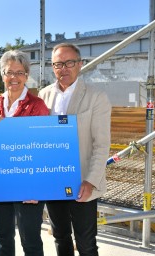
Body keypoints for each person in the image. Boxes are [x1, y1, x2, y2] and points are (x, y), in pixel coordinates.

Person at [38, 43, 111, 256]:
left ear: (79, 64)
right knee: (60, 237)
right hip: (54, 181)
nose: (64, 68)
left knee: (86, 243)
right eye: (58, 64)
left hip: (82, 182)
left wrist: (90, 181)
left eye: (69, 62)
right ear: (53, 67)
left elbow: (101, 144)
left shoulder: (96, 97)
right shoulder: (43, 95)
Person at [0, 50, 49, 256]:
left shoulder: (36, 105)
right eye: (9, 72)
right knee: (3, 237)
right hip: (1, 181)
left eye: (20, 72)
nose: (14, 78)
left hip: (27, 185)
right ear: (3, 75)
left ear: (26, 75)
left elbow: (43, 148)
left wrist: (37, 188)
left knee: (30, 240)